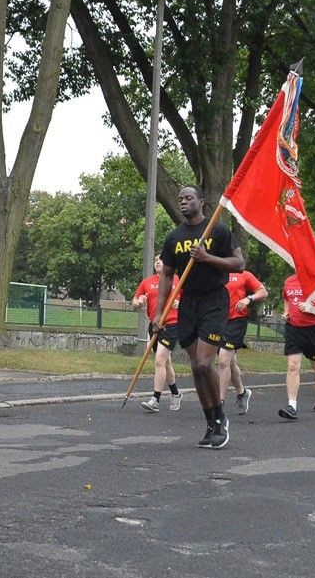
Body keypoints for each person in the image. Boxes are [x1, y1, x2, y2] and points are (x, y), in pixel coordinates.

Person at [156, 186, 244, 449]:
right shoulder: (174, 238)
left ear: (201, 202)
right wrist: (159, 313)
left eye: (188, 198)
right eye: (180, 199)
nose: (183, 202)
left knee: (206, 363)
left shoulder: (217, 230)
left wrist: (207, 257)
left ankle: (220, 418)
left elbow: (238, 263)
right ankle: (209, 422)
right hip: (188, 304)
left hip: (214, 301)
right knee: (195, 367)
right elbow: (166, 276)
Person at [279, 273, 315, 419]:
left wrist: (311, 307)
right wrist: (286, 312)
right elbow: (286, 298)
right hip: (293, 328)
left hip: (314, 329)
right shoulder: (289, 280)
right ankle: (292, 405)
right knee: (292, 366)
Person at [132, 255, 182, 413]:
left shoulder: (178, 280)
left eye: (162, 259)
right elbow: (134, 302)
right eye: (155, 260)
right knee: (166, 363)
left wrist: (180, 303)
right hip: (154, 325)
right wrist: (138, 303)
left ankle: (155, 400)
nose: (158, 262)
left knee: (160, 360)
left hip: (171, 325)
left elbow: (190, 301)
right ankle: (175, 393)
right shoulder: (147, 282)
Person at [221, 270, 268, 414]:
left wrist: (249, 299)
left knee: (223, 361)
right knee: (230, 361)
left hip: (236, 321)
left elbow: (263, 292)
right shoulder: (216, 272)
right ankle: (242, 393)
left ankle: (219, 403)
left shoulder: (244, 274)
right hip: (218, 320)